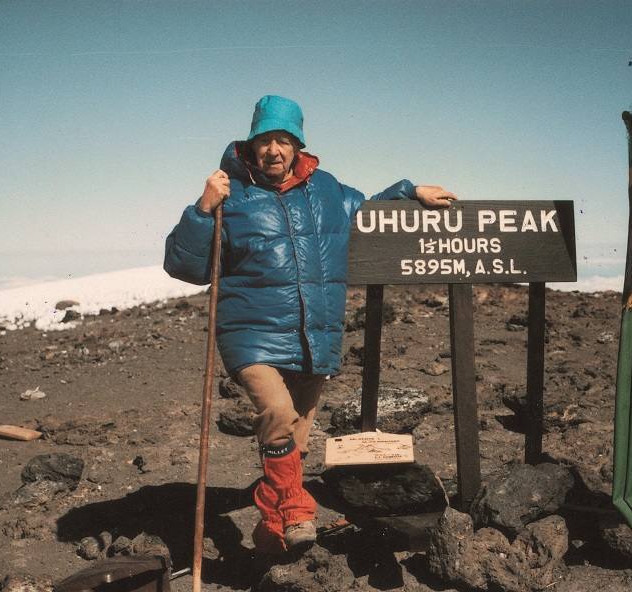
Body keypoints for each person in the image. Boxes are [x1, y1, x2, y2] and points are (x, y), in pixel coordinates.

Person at [164, 95, 456, 554]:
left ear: (298, 145)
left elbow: (369, 212)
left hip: (312, 333)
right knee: (277, 414)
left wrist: (410, 192)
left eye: (283, 140)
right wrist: (201, 211)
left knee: (295, 436)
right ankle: (298, 509)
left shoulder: (328, 190)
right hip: (250, 333)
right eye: (265, 141)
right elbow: (187, 267)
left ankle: (270, 531)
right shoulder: (229, 195)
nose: (273, 151)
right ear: (250, 145)